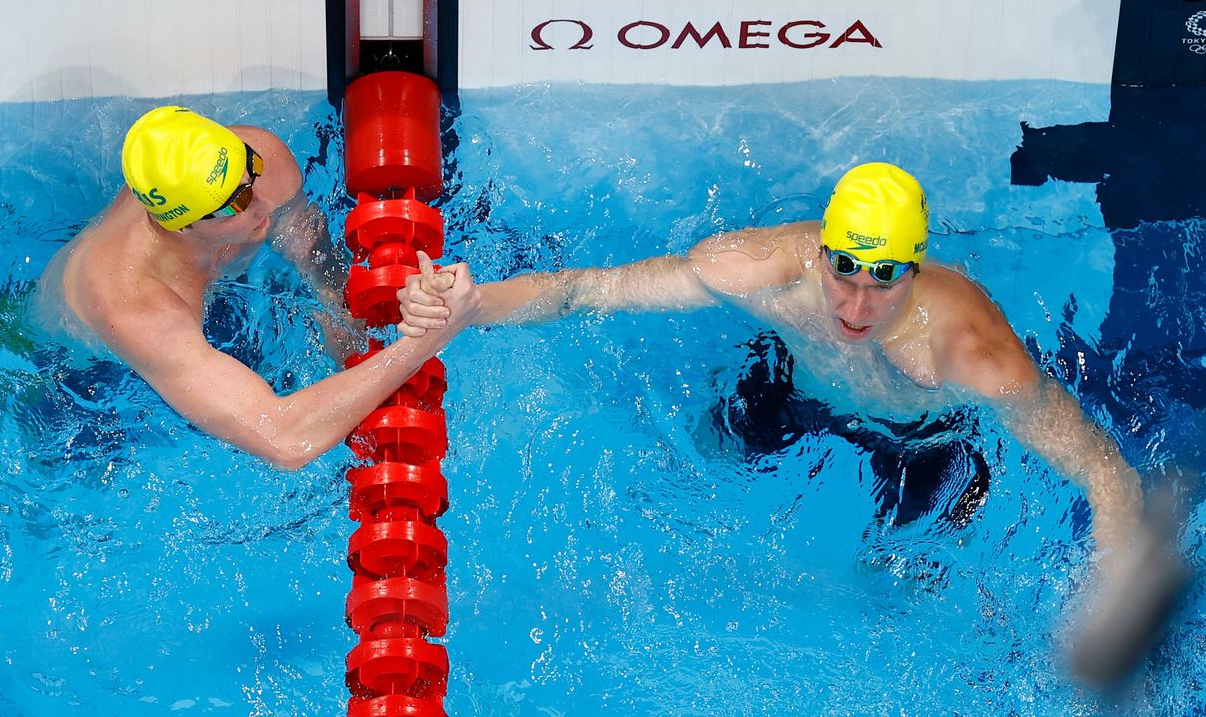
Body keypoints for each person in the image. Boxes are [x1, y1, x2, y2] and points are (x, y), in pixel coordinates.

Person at [398, 162, 1143, 557]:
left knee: (900, 578)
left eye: (882, 287)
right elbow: (584, 292)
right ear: (818, 251)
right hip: (794, 384)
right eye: (841, 276)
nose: (854, 310)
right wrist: (473, 305)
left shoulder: (971, 351)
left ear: (915, 272)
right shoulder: (756, 269)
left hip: (922, 437)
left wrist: (1112, 582)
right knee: (689, 483)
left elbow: (1103, 472)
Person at [35, 105, 478, 469]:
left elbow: (329, 281)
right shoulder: (135, 307)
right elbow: (283, 440)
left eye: (249, 171)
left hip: (208, 306)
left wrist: (384, 320)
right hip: (81, 372)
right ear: (184, 225)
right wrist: (425, 341)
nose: (264, 202)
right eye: (237, 202)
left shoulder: (263, 164)